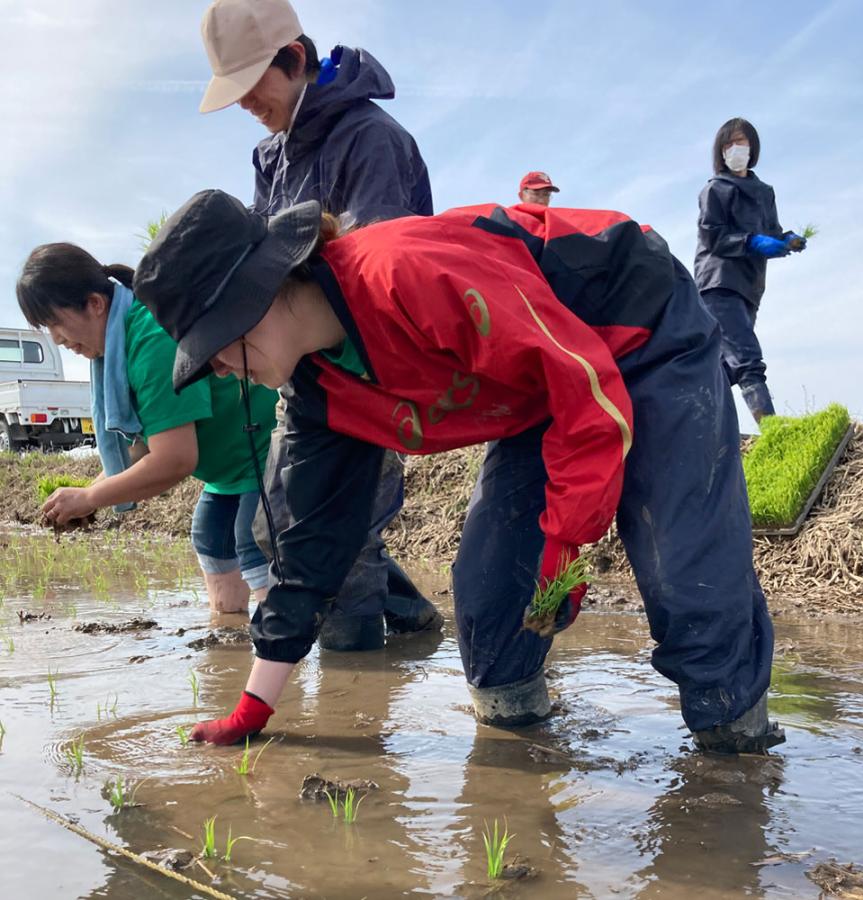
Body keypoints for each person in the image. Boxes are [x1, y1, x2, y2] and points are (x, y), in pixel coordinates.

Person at [133, 189, 785, 755]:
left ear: (262, 293)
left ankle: (735, 757)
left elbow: (581, 383)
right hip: (538, 387)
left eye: (217, 346)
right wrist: (253, 710)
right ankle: (521, 757)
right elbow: (305, 554)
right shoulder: (317, 396)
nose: (221, 370)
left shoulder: (403, 275)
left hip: (638, 323)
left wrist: (564, 544)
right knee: (490, 600)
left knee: (685, 574)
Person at [198, 0, 440, 650]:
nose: (246, 102)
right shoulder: (269, 156)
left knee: (342, 538)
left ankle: (354, 694)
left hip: (365, 372)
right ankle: (411, 616)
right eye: (234, 90)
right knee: (271, 527)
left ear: (296, 58)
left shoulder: (371, 139)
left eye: (252, 83)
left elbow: (379, 274)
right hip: (302, 375)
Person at [16, 243, 278, 614]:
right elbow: (145, 445)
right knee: (210, 538)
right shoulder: (116, 348)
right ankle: (230, 644)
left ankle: (287, 644)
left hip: (266, 451)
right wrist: (89, 492)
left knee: (252, 540)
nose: (56, 339)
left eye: (56, 322)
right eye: (47, 328)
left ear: (95, 304)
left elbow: (175, 459)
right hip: (229, 470)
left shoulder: (151, 339)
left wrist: (90, 498)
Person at [694, 117, 807, 423]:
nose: (735, 149)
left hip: (749, 287)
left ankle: (697, 429)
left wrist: (787, 240)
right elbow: (712, 236)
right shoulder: (715, 190)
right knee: (747, 359)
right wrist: (752, 241)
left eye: (740, 142)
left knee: (723, 368)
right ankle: (773, 431)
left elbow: (772, 232)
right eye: (728, 144)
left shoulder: (764, 192)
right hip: (719, 284)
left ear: (752, 147)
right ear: (720, 152)